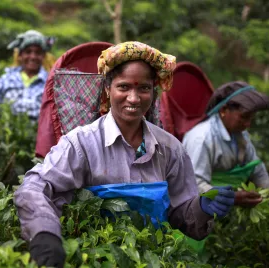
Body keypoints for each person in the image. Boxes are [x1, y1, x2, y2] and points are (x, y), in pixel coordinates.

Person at [14, 41, 235, 268]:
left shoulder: (169, 149)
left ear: (153, 91)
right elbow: (36, 186)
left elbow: (180, 213)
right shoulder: (82, 143)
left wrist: (202, 207)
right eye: (123, 87)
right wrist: (45, 233)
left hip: (150, 260)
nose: (134, 98)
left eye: (144, 88)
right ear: (108, 89)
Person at [183, 81, 269, 207]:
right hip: (199, 208)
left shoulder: (240, 134)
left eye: (251, 118)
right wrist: (232, 198)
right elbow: (196, 184)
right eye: (244, 117)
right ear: (224, 110)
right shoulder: (202, 138)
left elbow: (256, 169)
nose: (248, 124)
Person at [0, 30, 55, 121]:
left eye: (38, 53)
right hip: (7, 131)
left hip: (39, 134)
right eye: (28, 52)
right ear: (20, 55)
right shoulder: (6, 79)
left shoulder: (51, 82)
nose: (33, 57)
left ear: (43, 56)